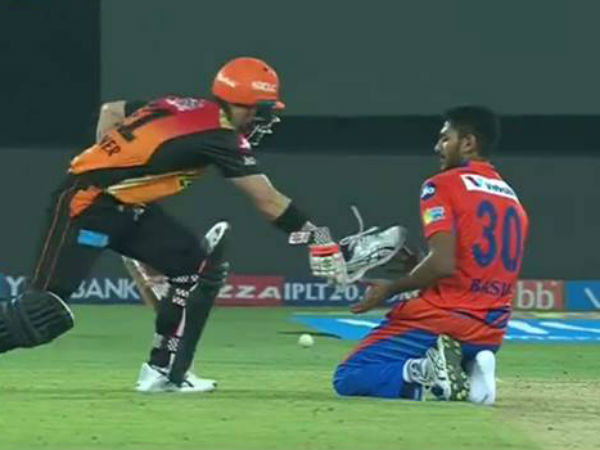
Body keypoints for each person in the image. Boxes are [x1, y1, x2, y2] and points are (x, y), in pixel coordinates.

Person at [0, 57, 403, 393]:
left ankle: (163, 371)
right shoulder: (221, 135)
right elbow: (267, 201)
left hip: (126, 207)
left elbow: (112, 110)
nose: (263, 120)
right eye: (262, 111)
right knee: (43, 311)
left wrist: (109, 160)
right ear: (245, 105)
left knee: (192, 267)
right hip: (86, 204)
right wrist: (319, 239)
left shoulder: (180, 105)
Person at [333, 106, 529, 404]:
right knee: (453, 344)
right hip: (490, 330)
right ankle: (474, 370)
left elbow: (442, 263)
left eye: (445, 138)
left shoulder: (441, 185)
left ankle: (426, 371)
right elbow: (473, 267)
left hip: (441, 320)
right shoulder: (512, 198)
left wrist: (390, 289)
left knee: (349, 375)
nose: (438, 147)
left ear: (468, 143)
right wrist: (419, 267)